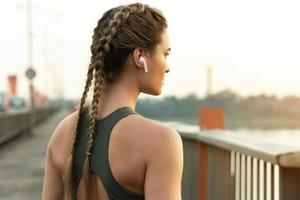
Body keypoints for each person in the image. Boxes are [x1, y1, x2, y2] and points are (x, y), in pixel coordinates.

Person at [42, 2, 183, 200]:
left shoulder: (63, 132)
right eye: (165, 54)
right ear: (139, 56)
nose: (167, 67)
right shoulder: (161, 142)